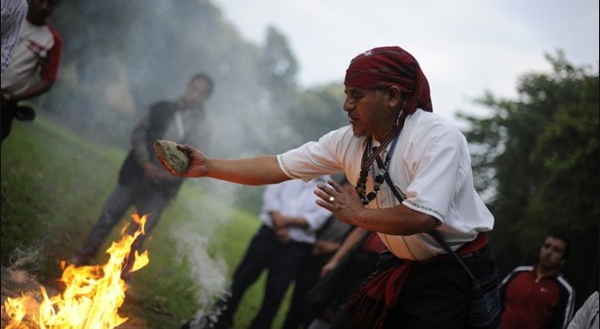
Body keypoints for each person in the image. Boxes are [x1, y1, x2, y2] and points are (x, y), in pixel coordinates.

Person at [169, 45, 499, 328]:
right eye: (346, 94)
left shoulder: (438, 136)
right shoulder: (347, 142)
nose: (346, 106)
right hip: (398, 265)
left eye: (357, 95)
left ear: (392, 96)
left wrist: (358, 214)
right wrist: (208, 166)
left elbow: (423, 216)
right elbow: (278, 165)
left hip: (448, 277)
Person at [69, 73, 214, 277]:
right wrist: (145, 162)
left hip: (161, 189)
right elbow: (139, 132)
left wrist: (166, 175)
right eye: (194, 88)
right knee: (108, 216)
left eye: (202, 93)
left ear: (206, 98)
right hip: (135, 174)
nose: (195, 95)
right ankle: (83, 256)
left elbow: (196, 163)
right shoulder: (163, 108)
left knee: (139, 234)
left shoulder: (203, 129)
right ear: (187, 87)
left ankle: (120, 277)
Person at [182, 177, 333, 329]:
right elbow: (271, 196)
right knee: (240, 280)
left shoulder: (329, 188)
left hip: (295, 248)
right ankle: (218, 321)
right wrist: (278, 225)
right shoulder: (291, 171)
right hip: (266, 236)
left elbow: (317, 218)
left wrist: (283, 221)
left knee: (275, 294)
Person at [282, 178, 354, 329]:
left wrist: (334, 247)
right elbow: (313, 223)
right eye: (346, 189)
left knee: (315, 306)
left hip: (331, 265)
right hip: (311, 256)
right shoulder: (326, 206)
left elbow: (354, 242)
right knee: (297, 300)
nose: (349, 193)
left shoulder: (356, 217)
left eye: (353, 191)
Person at [1, 0, 63, 143]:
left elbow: (48, 80)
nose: (44, 6)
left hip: (4, 102)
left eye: (50, 3)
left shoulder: (52, 40)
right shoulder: (10, 16)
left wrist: (14, 97)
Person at [306, 227, 386, 329]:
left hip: (380, 269)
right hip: (356, 263)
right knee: (331, 306)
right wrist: (335, 261)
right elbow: (361, 230)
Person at [499, 234, 576, 329]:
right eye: (547, 246)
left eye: (556, 250)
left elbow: (561, 325)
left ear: (563, 259)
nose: (549, 252)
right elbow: (494, 301)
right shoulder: (518, 273)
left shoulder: (565, 291)